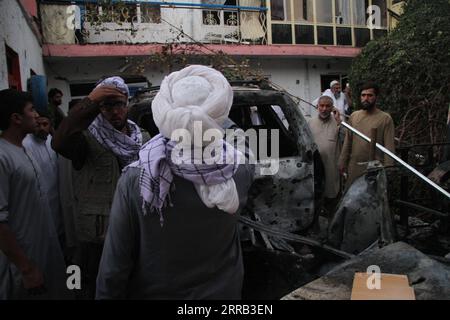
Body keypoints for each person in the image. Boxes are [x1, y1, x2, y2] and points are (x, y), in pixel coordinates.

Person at [96, 65, 254, 299]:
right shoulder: (240, 168)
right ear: (219, 112)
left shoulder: (136, 177)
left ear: (163, 111)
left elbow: (114, 268)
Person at [52, 76, 149, 299]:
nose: (115, 111)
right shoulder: (85, 138)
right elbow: (59, 142)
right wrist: (90, 101)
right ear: (98, 108)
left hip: (134, 227)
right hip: (96, 235)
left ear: (127, 103)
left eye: (119, 104)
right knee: (89, 285)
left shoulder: (141, 137)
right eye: (107, 105)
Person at [0, 89, 68, 299]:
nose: (37, 115)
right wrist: (26, 268)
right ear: (16, 118)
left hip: (43, 251)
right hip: (22, 264)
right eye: (31, 110)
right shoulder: (2, 156)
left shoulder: (24, 148)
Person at [339, 82, 396, 189]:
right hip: (354, 167)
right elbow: (348, 141)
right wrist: (342, 162)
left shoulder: (385, 118)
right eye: (363, 95)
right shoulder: (354, 116)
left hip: (374, 169)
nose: (366, 98)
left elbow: (389, 147)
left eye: (370, 95)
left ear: (376, 97)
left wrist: (389, 169)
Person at [23, 112, 64, 246]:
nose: (41, 128)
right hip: (39, 201)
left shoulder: (50, 140)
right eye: (38, 124)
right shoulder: (26, 144)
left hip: (56, 197)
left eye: (45, 124)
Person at [308, 96, 342, 216]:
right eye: (321, 106)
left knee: (331, 196)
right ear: (317, 107)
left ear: (332, 108)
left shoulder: (338, 123)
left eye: (328, 106)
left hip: (332, 167)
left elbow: (345, 143)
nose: (324, 109)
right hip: (314, 168)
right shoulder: (310, 122)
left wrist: (339, 123)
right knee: (315, 196)